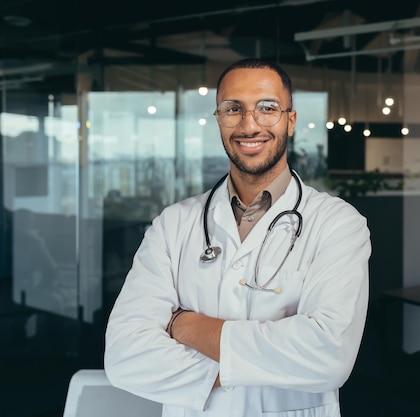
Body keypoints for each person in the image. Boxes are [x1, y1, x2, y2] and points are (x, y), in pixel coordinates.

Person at [104, 58, 372, 417]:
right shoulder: (173, 224)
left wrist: (185, 325)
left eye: (267, 108)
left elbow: (328, 356)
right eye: (233, 109)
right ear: (218, 119)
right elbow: (125, 356)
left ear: (290, 121)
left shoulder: (338, 224)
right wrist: (267, 362)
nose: (249, 124)